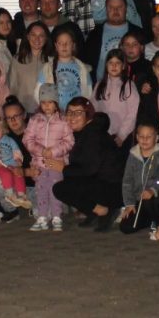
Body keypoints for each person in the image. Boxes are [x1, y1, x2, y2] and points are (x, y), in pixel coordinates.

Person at [52, 97, 123, 232]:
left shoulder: (93, 134)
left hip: (112, 187)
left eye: (78, 112)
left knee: (61, 188)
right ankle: (94, 211)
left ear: (88, 114)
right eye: (70, 112)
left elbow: (90, 169)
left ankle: (105, 210)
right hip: (102, 182)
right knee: (69, 178)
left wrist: (63, 168)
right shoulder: (84, 132)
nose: (72, 117)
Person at [24, 84, 75, 231]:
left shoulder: (63, 121)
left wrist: (53, 152)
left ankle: (57, 216)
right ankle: (42, 217)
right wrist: (41, 150)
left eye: (50, 102)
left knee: (55, 189)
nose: (46, 106)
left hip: (56, 163)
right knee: (41, 190)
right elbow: (28, 140)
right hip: (39, 163)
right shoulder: (34, 120)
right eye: (43, 102)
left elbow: (69, 142)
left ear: (56, 103)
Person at [119, 123, 159, 234]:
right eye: (141, 136)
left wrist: (153, 189)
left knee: (151, 203)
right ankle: (148, 220)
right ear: (137, 137)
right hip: (138, 199)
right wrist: (129, 204)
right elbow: (127, 181)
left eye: (149, 137)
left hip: (156, 198)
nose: (145, 139)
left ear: (156, 138)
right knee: (126, 227)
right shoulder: (133, 155)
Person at [80, 0, 142, 75]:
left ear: (125, 9)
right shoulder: (94, 33)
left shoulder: (137, 33)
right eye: (111, 7)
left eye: (119, 7)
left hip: (129, 85)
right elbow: (86, 63)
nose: (115, 10)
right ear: (106, 9)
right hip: (100, 85)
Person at [0, 117, 32, 210]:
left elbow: (16, 150)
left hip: (12, 164)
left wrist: (18, 159)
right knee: (6, 174)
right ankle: (9, 194)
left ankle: (21, 195)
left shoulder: (8, 139)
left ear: (3, 130)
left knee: (18, 175)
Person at [93, 49, 140, 150]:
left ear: (123, 66)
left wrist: (122, 135)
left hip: (120, 137)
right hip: (101, 134)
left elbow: (133, 113)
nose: (114, 66)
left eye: (117, 63)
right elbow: (93, 107)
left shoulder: (129, 85)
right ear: (106, 65)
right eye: (111, 63)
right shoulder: (100, 85)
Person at [38, 26, 93, 110]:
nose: (64, 46)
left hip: (75, 113)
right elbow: (38, 92)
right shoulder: (47, 68)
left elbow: (88, 93)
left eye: (68, 43)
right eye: (60, 43)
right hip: (55, 114)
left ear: (73, 45)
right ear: (56, 46)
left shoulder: (83, 68)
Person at [8, 22, 53, 113]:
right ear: (28, 37)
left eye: (41, 35)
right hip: (23, 112)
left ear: (46, 38)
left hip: (47, 112)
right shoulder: (17, 60)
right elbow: (12, 88)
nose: (37, 39)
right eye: (33, 35)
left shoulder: (52, 61)